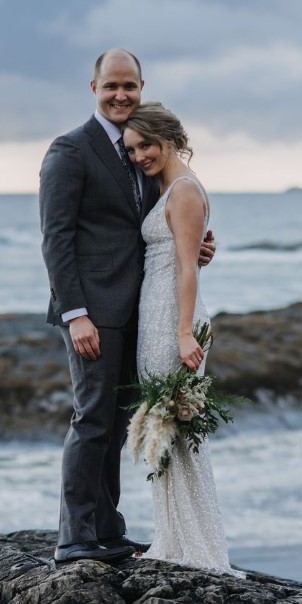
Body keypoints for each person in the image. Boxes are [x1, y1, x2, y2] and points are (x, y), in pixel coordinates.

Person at [39, 49, 214, 565]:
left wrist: (195, 245)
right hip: (93, 313)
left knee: (116, 425)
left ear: (141, 87)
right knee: (91, 419)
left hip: (140, 308)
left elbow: (157, 225)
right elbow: (56, 238)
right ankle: (74, 538)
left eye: (129, 86)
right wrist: (75, 314)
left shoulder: (139, 152)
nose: (120, 95)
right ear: (93, 87)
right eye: (111, 85)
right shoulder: (70, 150)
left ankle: (108, 530)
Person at [123, 102, 232, 574]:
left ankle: (197, 548)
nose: (138, 155)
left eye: (145, 145)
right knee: (163, 431)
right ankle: (173, 537)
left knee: (179, 431)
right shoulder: (166, 188)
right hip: (156, 318)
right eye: (130, 149)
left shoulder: (184, 191)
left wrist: (185, 333)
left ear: (168, 141)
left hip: (174, 322)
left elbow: (189, 266)